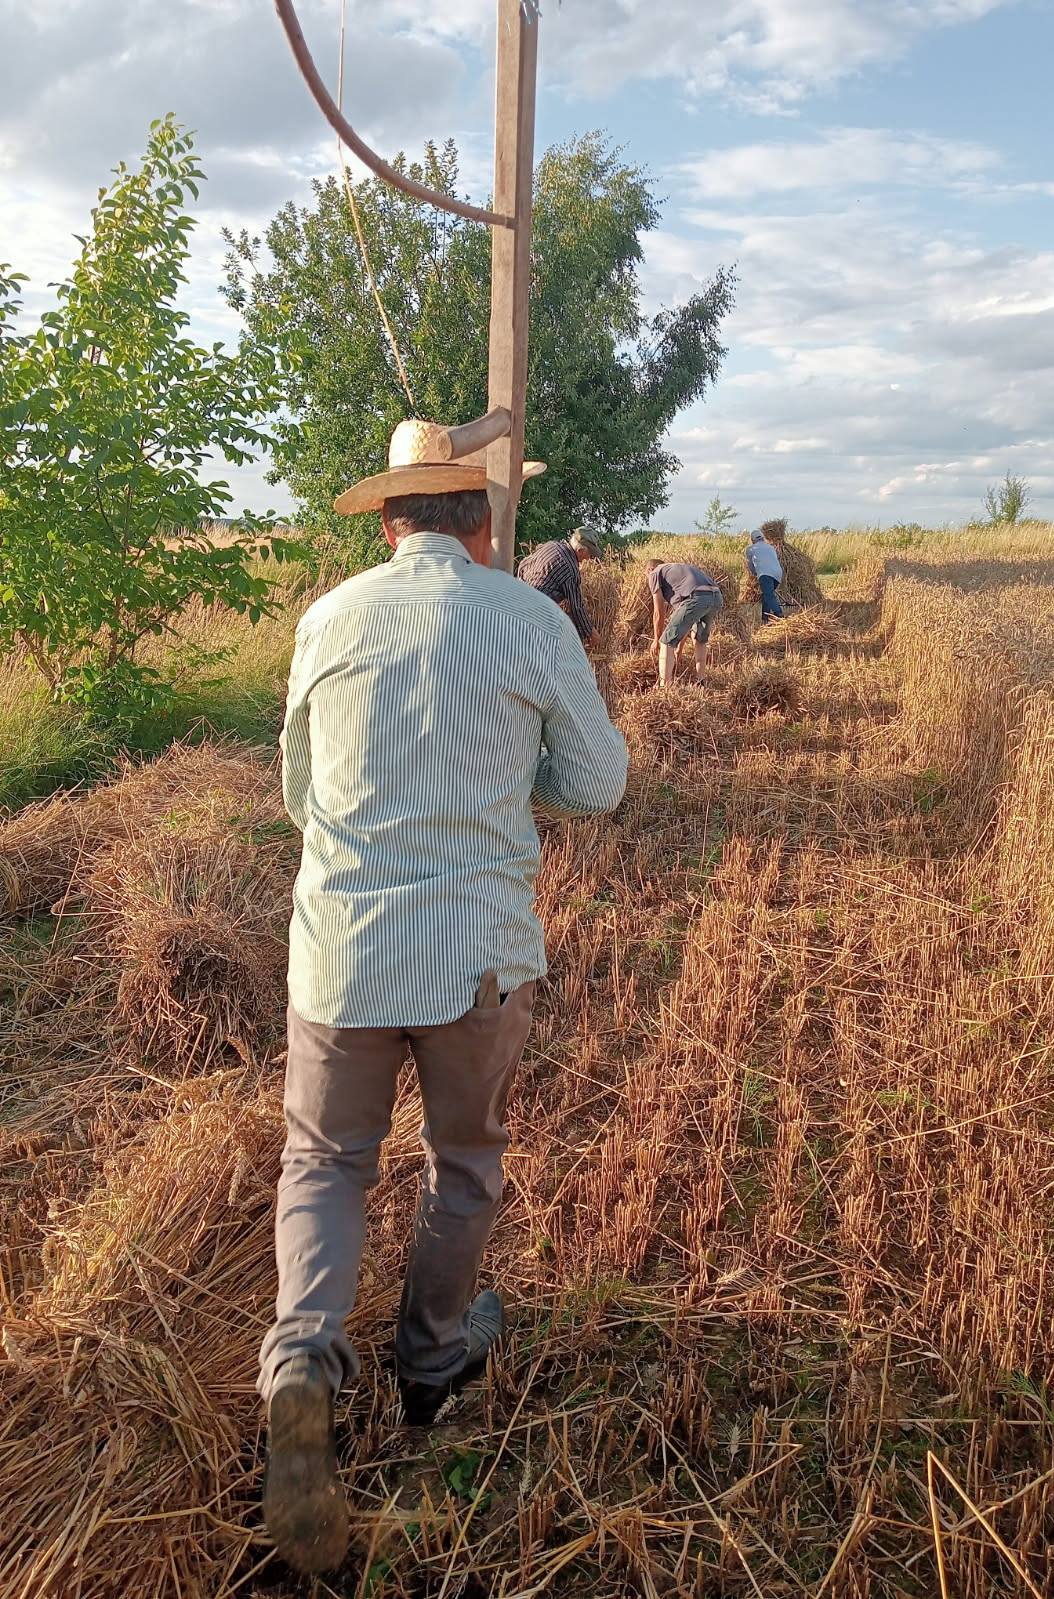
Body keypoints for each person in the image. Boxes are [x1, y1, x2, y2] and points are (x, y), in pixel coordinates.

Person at [260, 419, 628, 1574]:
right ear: (482, 523)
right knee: (461, 1165)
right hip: (475, 954)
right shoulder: (526, 617)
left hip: (342, 955)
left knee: (324, 1162)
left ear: (386, 521)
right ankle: (430, 1361)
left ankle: (303, 1365)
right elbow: (598, 785)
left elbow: (296, 793)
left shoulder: (330, 617)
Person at [516, 526, 603, 648]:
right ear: (580, 550)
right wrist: (591, 633)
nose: (589, 558)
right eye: (590, 554)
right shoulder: (570, 569)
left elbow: (523, 564)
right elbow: (577, 607)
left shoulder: (551, 546)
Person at [646, 558, 724, 686]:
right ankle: (700, 681)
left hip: (697, 597)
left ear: (649, 569)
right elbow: (685, 623)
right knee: (700, 639)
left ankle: (664, 688)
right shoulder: (677, 573)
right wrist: (679, 650)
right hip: (716, 596)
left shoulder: (654, 573)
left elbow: (658, 613)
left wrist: (656, 639)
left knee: (666, 641)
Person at [745, 529, 785, 622]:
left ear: (752, 540)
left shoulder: (750, 549)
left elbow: (750, 564)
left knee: (768, 595)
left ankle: (779, 614)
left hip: (765, 574)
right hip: (778, 573)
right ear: (762, 538)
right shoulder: (770, 547)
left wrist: (754, 574)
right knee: (766, 595)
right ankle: (765, 617)